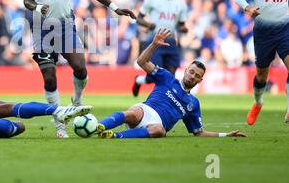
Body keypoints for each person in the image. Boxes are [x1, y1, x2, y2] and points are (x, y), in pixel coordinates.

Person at [23, 0, 136, 138]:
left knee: (80, 67)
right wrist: (39, 7)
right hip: (42, 28)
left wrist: (115, 7)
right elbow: (27, 0)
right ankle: (59, 124)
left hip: (66, 25)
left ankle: (76, 100)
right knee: (50, 77)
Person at [97, 29, 246, 139]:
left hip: (157, 125)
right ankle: (99, 126)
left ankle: (114, 136)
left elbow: (199, 132)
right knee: (133, 113)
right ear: (186, 70)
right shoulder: (167, 77)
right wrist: (154, 44)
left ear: (200, 80)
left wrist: (225, 135)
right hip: (146, 110)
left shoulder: (193, 103)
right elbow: (142, 62)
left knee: (160, 131)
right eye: (191, 72)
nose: (193, 76)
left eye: (197, 76)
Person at [235, 0, 289, 125]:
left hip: (284, 29)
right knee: (261, 75)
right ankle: (258, 103)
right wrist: (248, 8)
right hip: (264, 33)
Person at [132, 0, 188, 97]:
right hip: (155, 40)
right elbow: (139, 18)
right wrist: (148, 25)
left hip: (171, 41)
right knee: (155, 74)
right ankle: (138, 80)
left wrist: (183, 29)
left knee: (171, 75)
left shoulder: (181, 3)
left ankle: (165, 100)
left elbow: (180, 24)